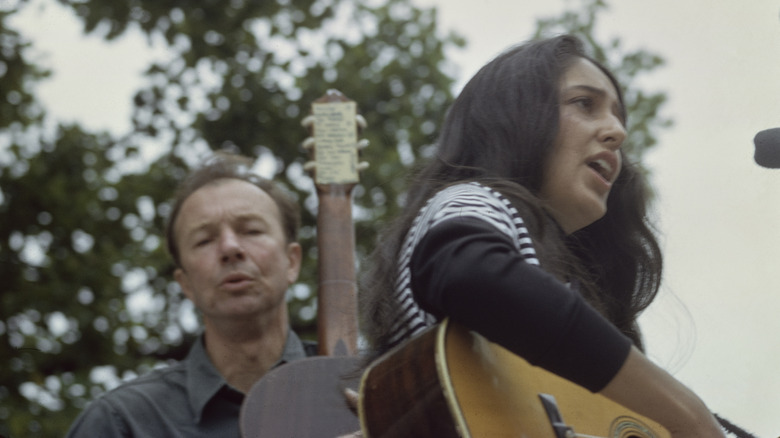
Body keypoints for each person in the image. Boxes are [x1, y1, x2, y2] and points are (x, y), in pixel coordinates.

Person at [359, 35, 729, 437]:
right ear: (513, 116)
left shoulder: (564, 285)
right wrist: (686, 411)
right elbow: (467, 271)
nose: (617, 132)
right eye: (585, 104)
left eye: (620, 118)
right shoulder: (475, 201)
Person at [67, 153, 316, 437]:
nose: (230, 247)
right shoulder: (121, 422)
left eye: (251, 230)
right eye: (204, 240)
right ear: (185, 283)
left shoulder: (365, 392)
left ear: (292, 261)